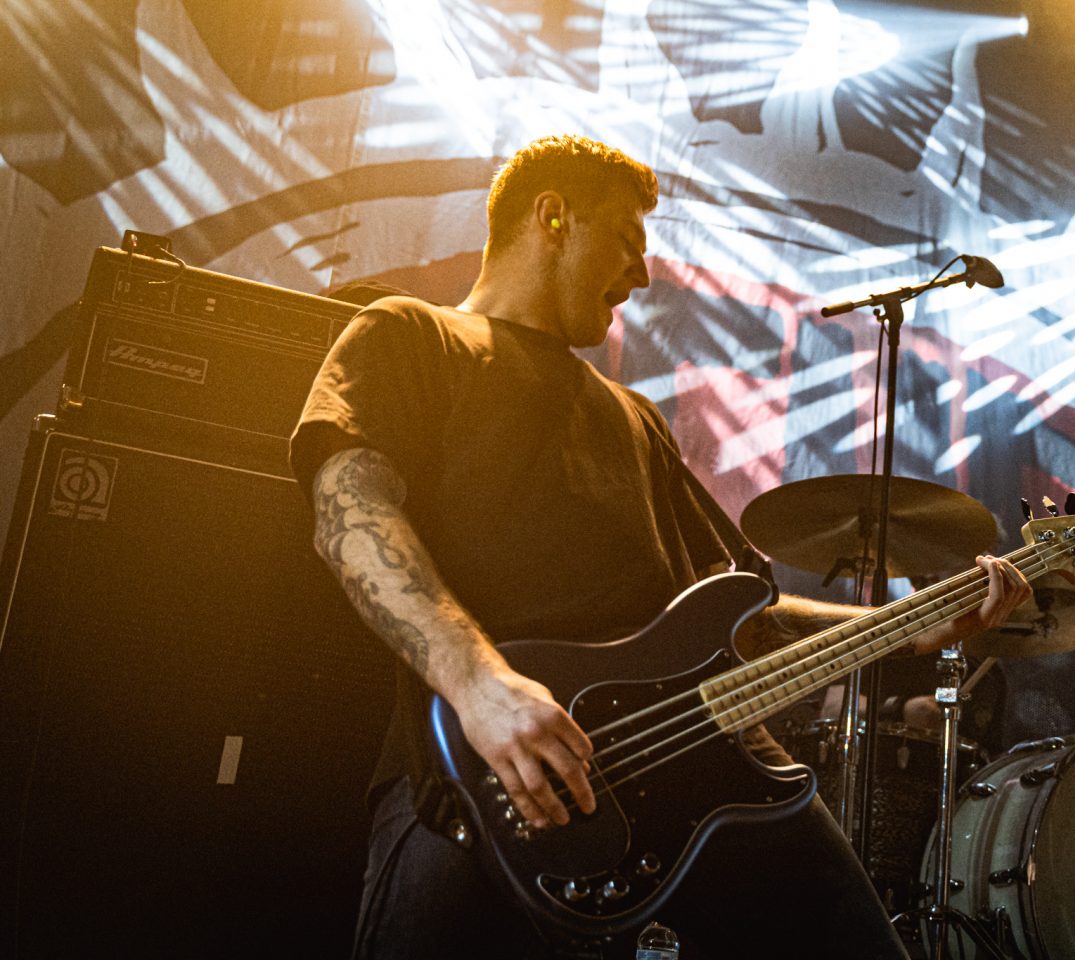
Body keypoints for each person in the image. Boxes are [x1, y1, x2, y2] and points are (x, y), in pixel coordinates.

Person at [290, 134, 1032, 959]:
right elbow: (349, 516)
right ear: (552, 216)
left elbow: (742, 620)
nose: (641, 276)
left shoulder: (635, 418)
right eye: (626, 241)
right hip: (481, 781)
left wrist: (911, 627)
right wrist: (482, 686)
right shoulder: (411, 334)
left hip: (701, 775)